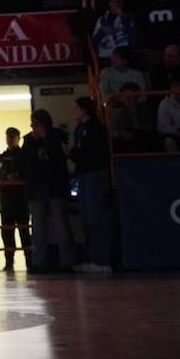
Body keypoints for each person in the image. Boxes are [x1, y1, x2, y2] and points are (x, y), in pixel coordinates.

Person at [21, 109, 74, 274]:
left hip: (55, 187)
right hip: (37, 189)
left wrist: (45, 139)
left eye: (35, 123)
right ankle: (39, 262)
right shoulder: (28, 140)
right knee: (38, 229)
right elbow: (25, 163)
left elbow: (60, 158)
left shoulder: (56, 136)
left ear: (43, 123)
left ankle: (67, 262)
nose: (33, 126)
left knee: (61, 226)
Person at [69, 97, 112, 274]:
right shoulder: (79, 129)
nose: (74, 112)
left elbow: (92, 153)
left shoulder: (95, 128)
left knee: (96, 218)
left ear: (84, 109)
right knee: (87, 219)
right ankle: (93, 258)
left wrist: (74, 153)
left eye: (76, 108)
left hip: (94, 174)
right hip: (84, 175)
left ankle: (102, 260)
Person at [0, 127, 30, 273]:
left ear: (18, 138)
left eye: (13, 136)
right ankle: (9, 262)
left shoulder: (24, 156)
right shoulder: (0, 158)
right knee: (7, 233)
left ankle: (29, 262)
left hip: (21, 199)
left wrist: (18, 177)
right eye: (8, 136)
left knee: (24, 231)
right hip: (6, 200)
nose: (10, 139)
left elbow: (29, 174)